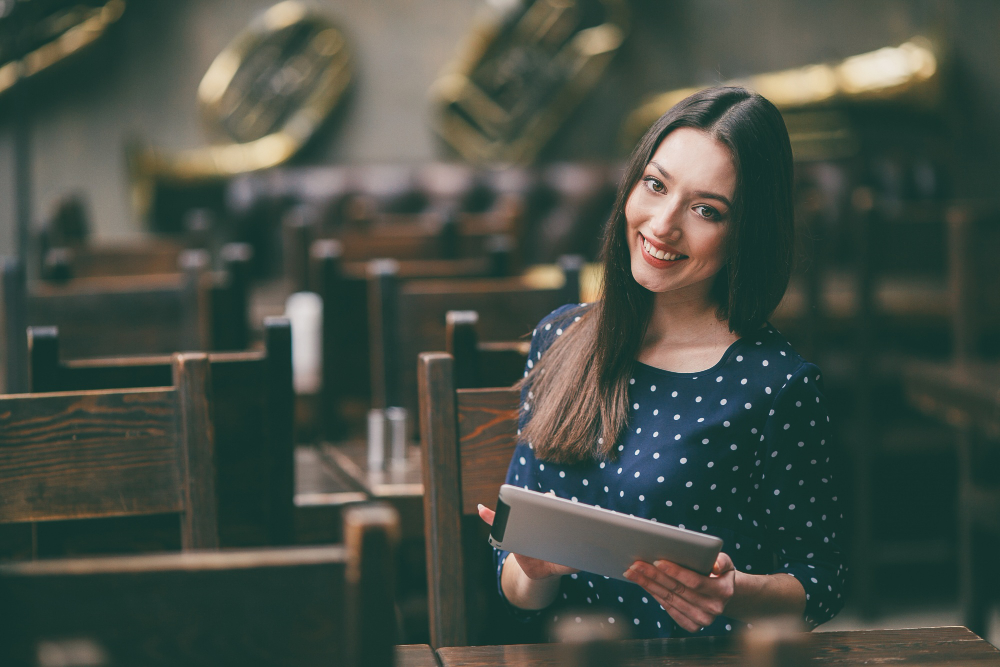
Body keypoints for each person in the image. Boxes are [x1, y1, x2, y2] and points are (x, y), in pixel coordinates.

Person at [478, 86, 848, 638]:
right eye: (655, 185)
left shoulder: (778, 386)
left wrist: (731, 593)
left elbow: (822, 582)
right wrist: (531, 572)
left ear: (747, 231)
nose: (663, 224)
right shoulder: (563, 335)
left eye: (706, 209)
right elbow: (515, 583)